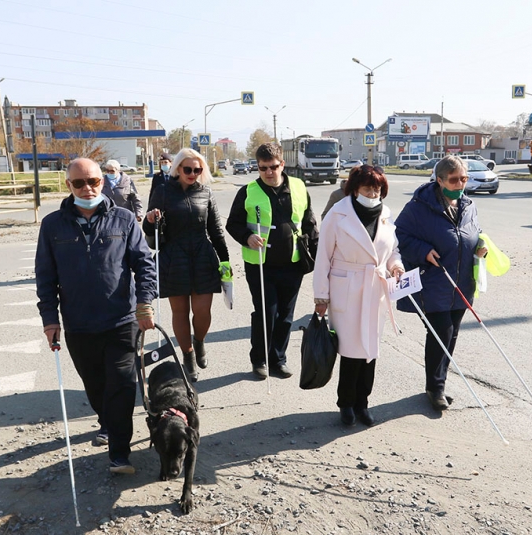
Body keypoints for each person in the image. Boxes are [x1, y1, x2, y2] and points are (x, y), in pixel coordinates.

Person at [35, 157, 157, 475]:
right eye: (80, 183)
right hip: (78, 323)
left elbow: (144, 264)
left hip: (122, 319)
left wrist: (145, 303)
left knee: (121, 384)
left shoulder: (125, 219)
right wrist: (50, 319)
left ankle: (119, 452)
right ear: (69, 186)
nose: (87, 188)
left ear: (102, 182)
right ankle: (106, 420)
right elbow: (45, 277)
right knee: (95, 385)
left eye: (94, 181)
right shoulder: (52, 225)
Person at [394, 155, 487, 411]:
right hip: (433, 282)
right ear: (440, 180)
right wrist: (423, 250)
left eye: (464, 179)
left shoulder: (468, 205)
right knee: (440, 332)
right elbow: (398, 235)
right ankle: (435, 388)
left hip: (460, 282)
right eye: (455, 180)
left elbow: (475, 232)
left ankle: (439, 384)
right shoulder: (418, 207)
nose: (460, 184)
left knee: (452, 334)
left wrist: (481, 245)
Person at [313, 165, 404, 427]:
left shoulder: (386, 215)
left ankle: (363, 402)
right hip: (347, 287)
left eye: (377, 188)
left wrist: (396, 266)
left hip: (375, 290)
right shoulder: (337, 215)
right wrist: (321, 298)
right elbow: (323, 259)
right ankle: (346, 404)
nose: (373, 192)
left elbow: (393, 250)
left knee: (370, 351)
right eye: (368, 187)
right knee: (352, 351)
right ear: (354, 189)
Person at [226, 142, 318, 379]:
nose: (268, 172)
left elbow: (309, 223)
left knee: (286, 315)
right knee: (267, 312)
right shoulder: (247, 192)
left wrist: (318, 257)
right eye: (263, 168)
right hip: (260, 264)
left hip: (293, 263)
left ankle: (278, 359)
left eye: (273, 167)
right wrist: (247, 237)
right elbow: (232, 224)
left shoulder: (298, 186)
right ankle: (260, 360)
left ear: (282, 164)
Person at [142, 148, 230, 382]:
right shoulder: (162, 191)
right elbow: (149, 229)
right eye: (188, 169)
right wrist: (151, 220)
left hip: (203, 257)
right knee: (179, 312)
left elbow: (216, 231)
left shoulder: (206, 193)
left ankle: (199, 341)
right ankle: (187, 355)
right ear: (177, 169)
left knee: (202, 311)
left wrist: (226, 262)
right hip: (173, 257)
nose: (193, 173)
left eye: (198, 170)